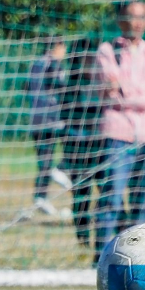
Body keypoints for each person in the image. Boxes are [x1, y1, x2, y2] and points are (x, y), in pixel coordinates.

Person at [95, 0, 145, 248]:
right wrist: (142, 96)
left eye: (142, 17)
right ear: (120, 20)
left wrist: (128, 92)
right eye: (132, 16)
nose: (137, 23)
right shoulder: (107, 50)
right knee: (111, 198)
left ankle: (140, 254)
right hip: (118, 132)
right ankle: (103, 254)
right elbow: (111, 89)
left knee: (144, 201)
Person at [60, 39, 104, 249]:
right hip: (78, 145)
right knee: (81, 193)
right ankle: (83, 237)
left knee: (107, 190)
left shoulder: (100, 82)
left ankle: (109, 234)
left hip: (100, 144)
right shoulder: (71, 85)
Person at [28, 36, 68, 216]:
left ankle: (40, 198)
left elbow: (27, 87)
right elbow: (59, 87)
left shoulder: (36, 64)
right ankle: (58, 170)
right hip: (51, 118)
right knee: (71, 149)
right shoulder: (54, 64)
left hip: (35, 118)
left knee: (43, 159)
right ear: (57, 46)